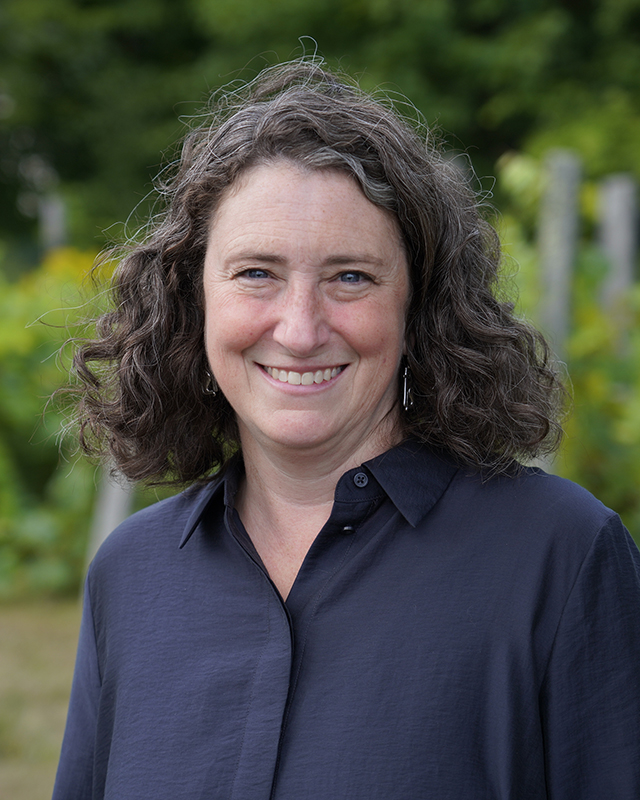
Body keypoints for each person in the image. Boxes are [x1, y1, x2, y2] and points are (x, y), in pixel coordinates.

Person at [53, 59, 640, 800]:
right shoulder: (132, 576)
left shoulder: (559, 557)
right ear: (191, 299)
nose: (300, 331)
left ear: (418, 309)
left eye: (351, 277)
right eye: (257, 273)